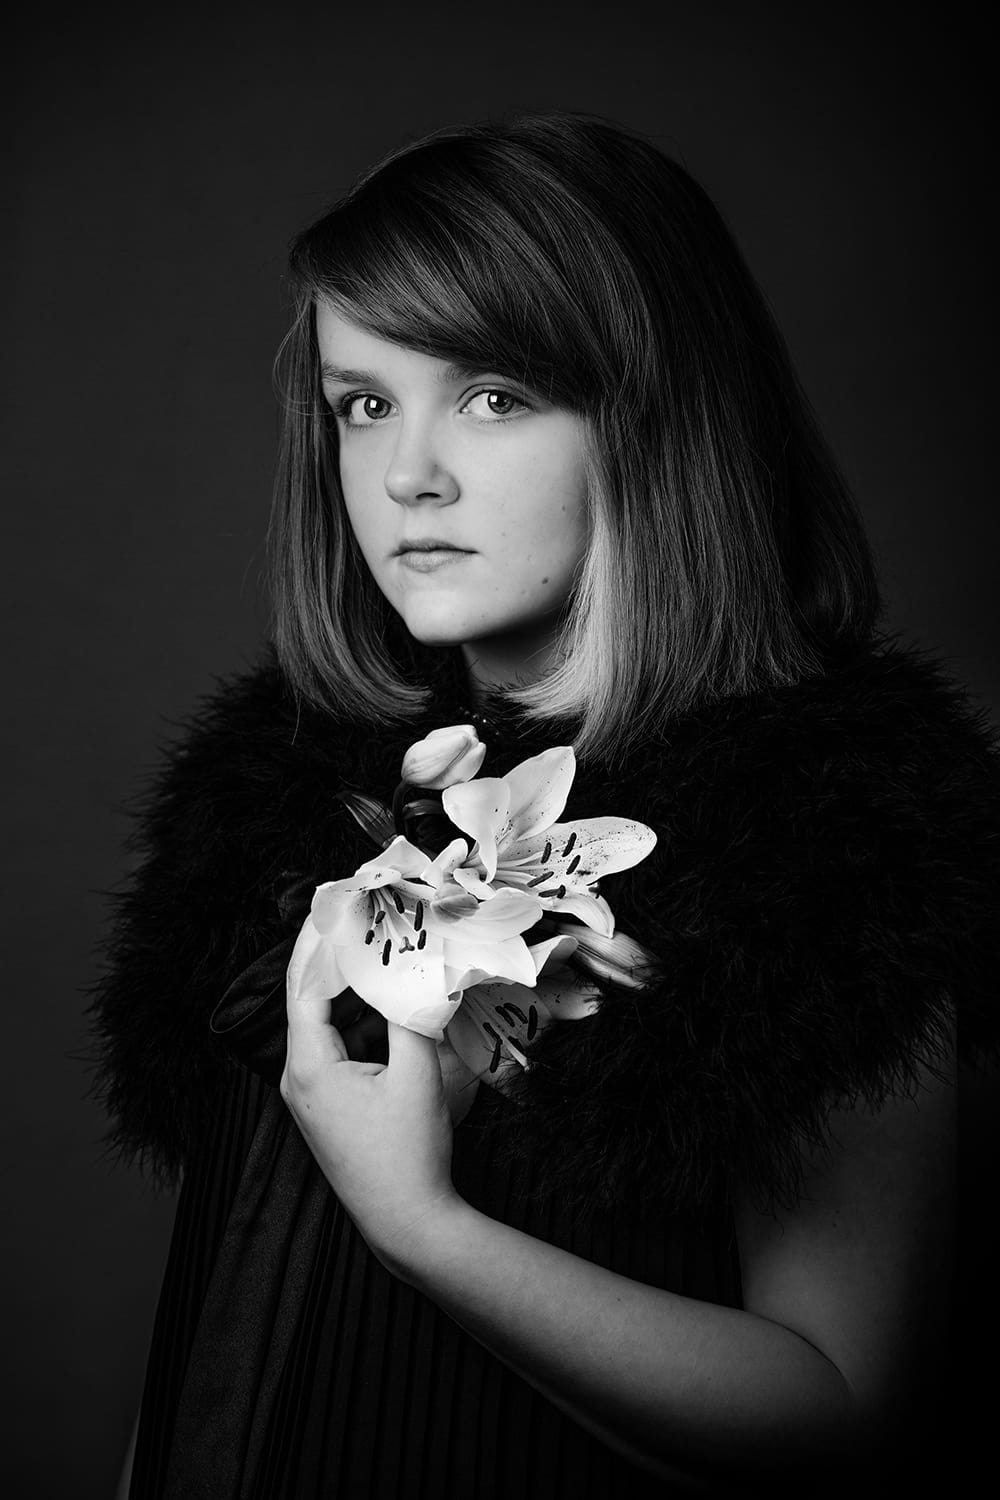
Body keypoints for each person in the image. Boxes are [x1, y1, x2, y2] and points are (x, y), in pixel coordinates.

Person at [92, 112, 998, 1499]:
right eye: (363, 401)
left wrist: (421, 1224)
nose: (407, 476)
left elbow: (835, 1408)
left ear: (650, 411)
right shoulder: (285, 805)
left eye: (495, 394)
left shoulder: (831, 833)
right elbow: (227, 1314)